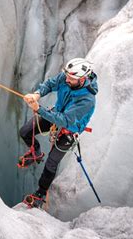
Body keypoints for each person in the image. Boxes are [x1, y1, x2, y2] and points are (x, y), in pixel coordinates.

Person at [19, 58, 98, 208]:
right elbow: (50, 84)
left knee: (51, 163)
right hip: (56, 114)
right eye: (66, 75)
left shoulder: (87, 99)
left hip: (69, 128)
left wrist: (39, 109)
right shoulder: (68, 77)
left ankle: (40, 194)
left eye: (71, 78)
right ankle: (35, 152)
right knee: (25, 132)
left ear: (82, 79)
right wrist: (37, 94)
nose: (66, 79)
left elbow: (65, 120)